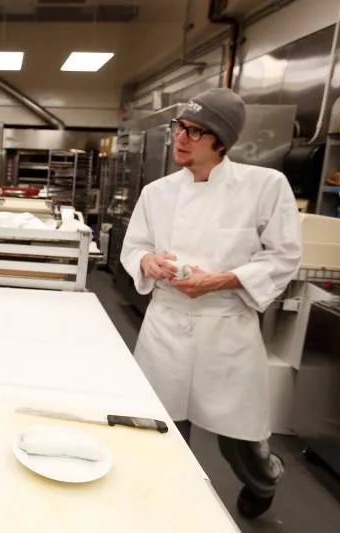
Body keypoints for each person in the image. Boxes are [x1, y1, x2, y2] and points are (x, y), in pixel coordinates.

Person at [120, 88, 302, 519]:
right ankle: (167, 502)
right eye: (180, 127)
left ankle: (264, 479)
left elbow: (284, 255)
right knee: (161, 425)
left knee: (238, 436)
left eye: (197, 132)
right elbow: (135, 247)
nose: (182, 139)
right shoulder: (158, 192)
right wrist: (148, 261)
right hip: (167, 321)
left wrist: (221, 281)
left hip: (226, 324)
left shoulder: (264, 186)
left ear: (222, 141)